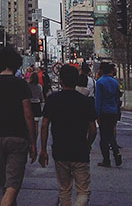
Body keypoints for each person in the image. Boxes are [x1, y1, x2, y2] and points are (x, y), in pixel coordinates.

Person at [0, 45, 37, 206]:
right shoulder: (20, 85)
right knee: (12, 185)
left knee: (5, 185)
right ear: (16, 63)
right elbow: (28, 113)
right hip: (17, 138)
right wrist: (33, 142)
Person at [39, 64, 97, 206]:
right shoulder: (86, 101)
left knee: (64, 189)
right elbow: (93, 129)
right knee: (83, 191)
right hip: (80, 151)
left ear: (60, 80)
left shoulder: (52, 100)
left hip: (60, 150)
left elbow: (45, 125)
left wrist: (43, 150)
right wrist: (88, 144)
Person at [95, 61, 122, 167]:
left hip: (103, 112)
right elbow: (116, 98)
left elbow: (98, 100)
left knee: (104, 137)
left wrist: (97, 115)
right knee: (111, 134)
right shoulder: (115, 82)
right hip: (113, 111)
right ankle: (116, 152)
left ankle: (106, 160)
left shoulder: (100, 82)